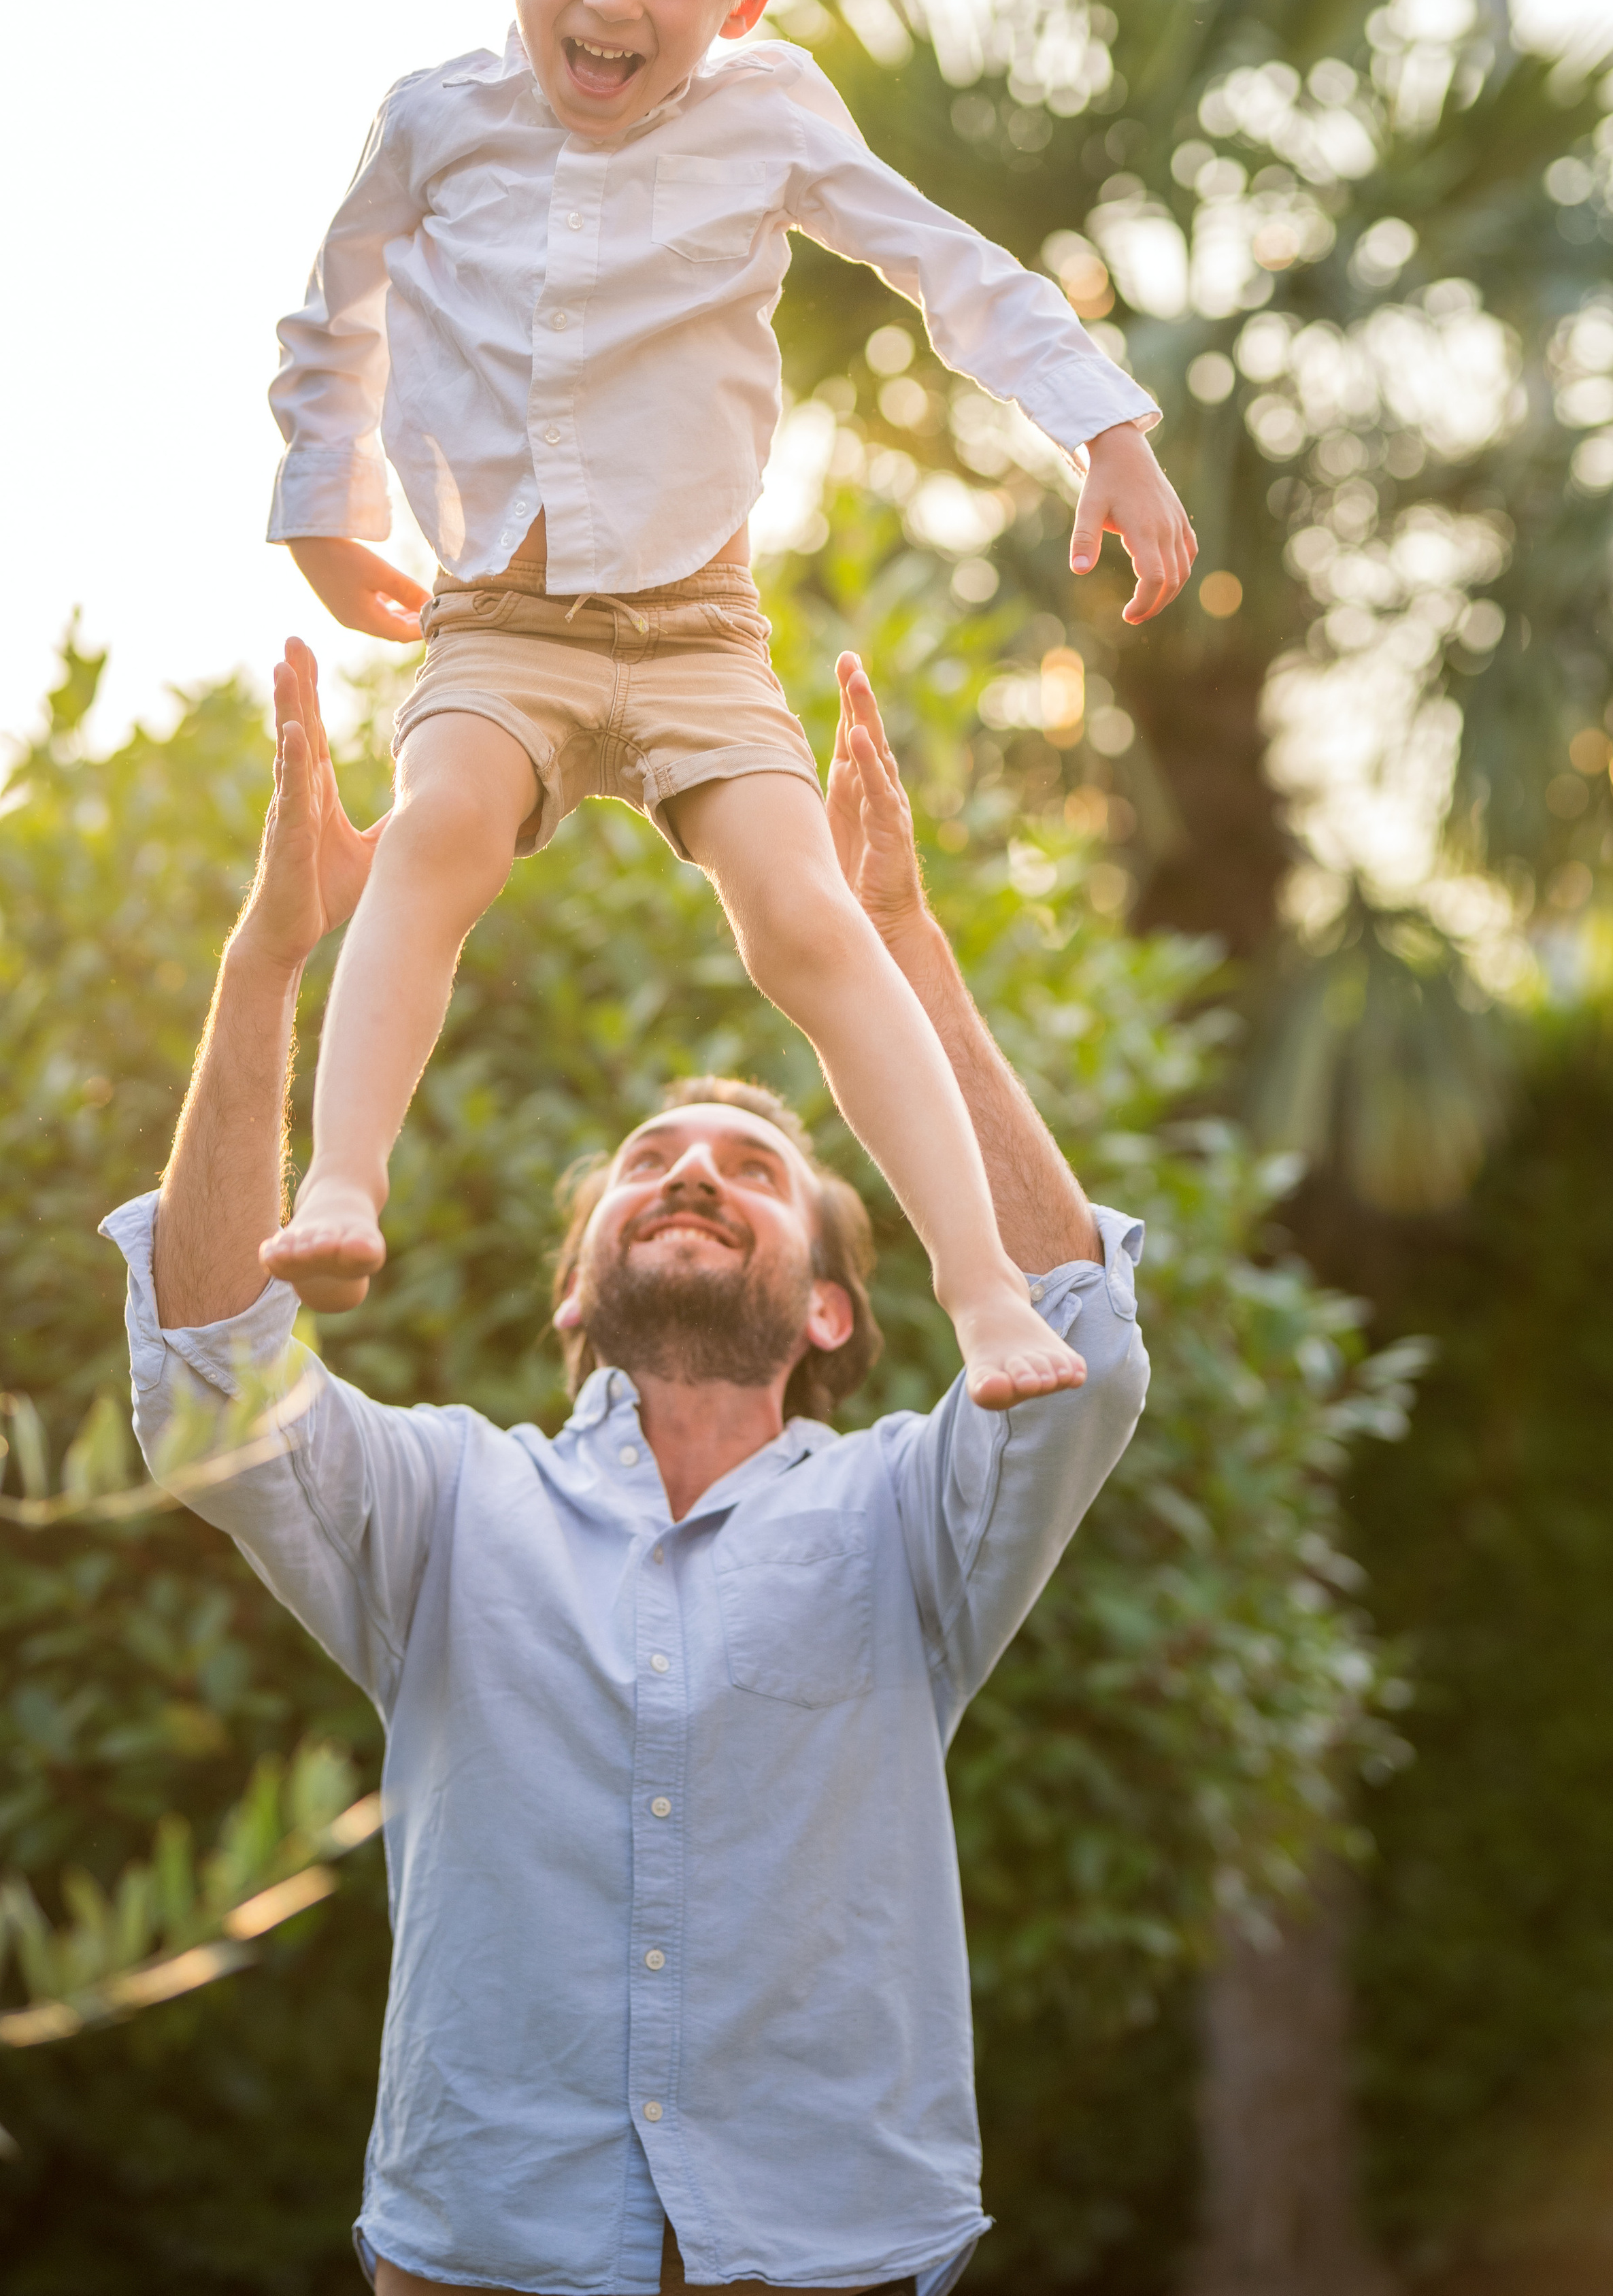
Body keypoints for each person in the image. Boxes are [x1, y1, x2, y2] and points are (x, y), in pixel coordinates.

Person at [103, 639, 1150, 2296]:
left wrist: (896, 946)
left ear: (825, 1306)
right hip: (488, 2255)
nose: (690, 1173)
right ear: (575, 1293)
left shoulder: (904, 1516)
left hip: (829, 2255)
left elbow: (1078, 1336)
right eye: (650, 1161)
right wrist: (271, 957)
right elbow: (212, 1375)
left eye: (754, 1166)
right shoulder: (447, 1505)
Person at [259, 0, 1194, 1413]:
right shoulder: (433, 120)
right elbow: (337, 313)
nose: (612, 0)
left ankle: (984, 1291)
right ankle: (340, 1184)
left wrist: (1102, 426)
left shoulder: (768, 117)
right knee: (438, 832)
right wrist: (327, 503)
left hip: (696, 635)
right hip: (499, 618)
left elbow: (940, 266)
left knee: (810, 924)